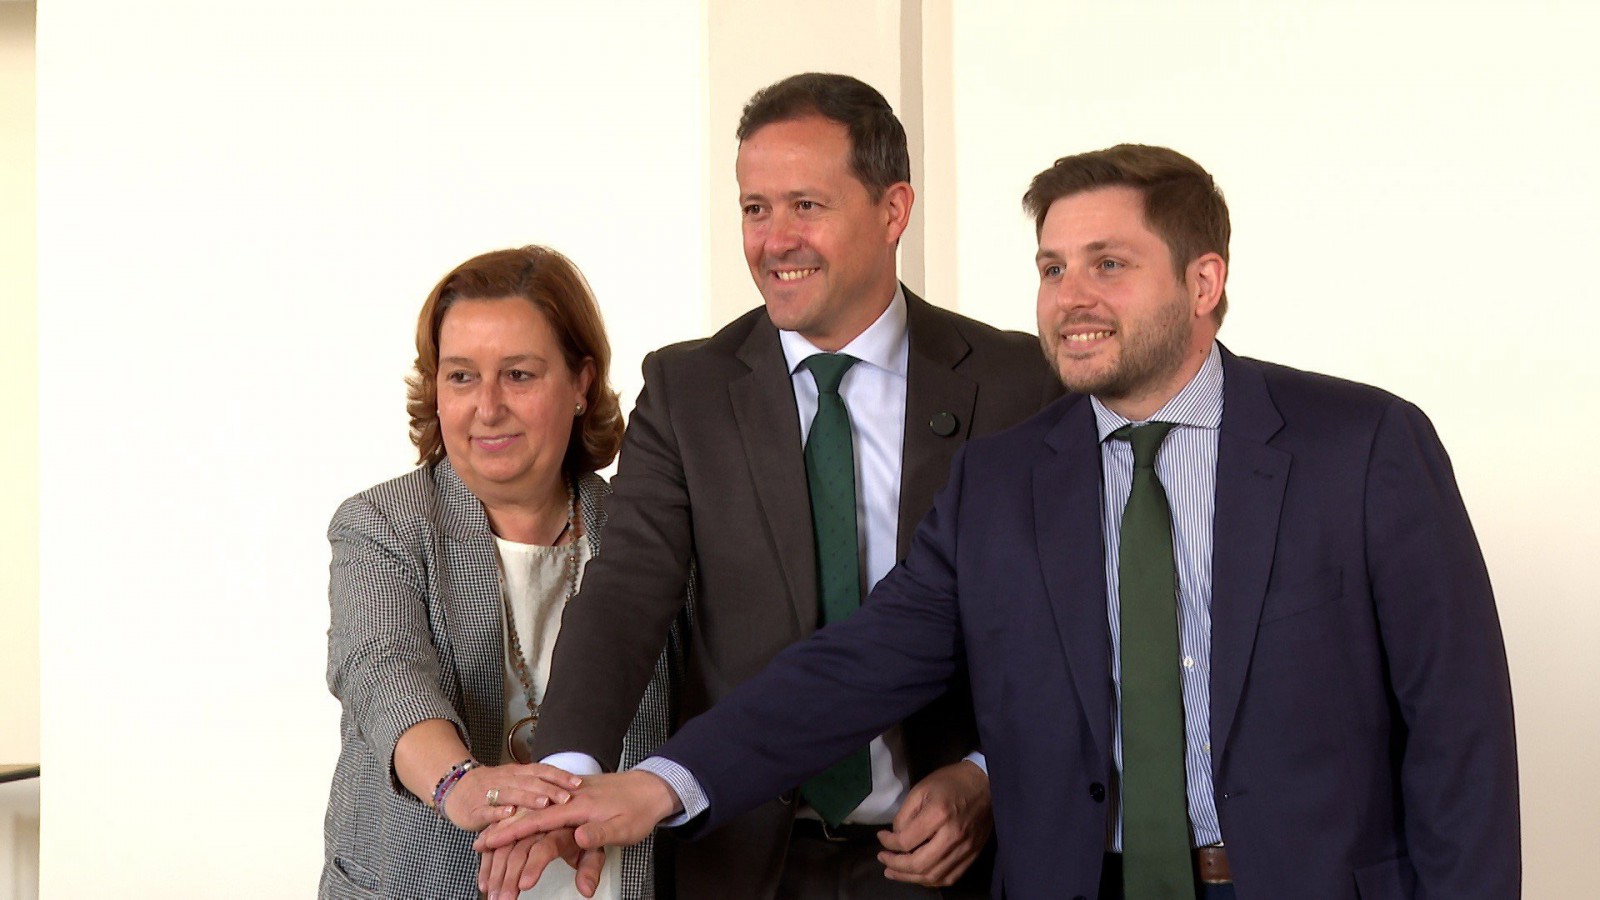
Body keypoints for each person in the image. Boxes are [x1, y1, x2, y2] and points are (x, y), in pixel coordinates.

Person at [475, 146, 1521, 900]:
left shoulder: (1361, 445)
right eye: (1052, 267)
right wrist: (659, 788)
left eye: (1109, 264)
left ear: (1204, 282)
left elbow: (1459, 731)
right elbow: (855, 667)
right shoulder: (1005, 481)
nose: (1070, 297)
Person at [485, 73, 1062, 899]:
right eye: (755, 209)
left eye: (806, 206)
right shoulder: (687, 390)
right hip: (740, 853)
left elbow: (1070, 629)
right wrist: (566, 779)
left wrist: (987, 774)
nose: (774, 240)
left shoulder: (1018, 385)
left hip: (953, 862)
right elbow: (625, 594)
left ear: (894, 210)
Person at [321, 246, 679, 900]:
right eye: (461, 376)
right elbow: (383, 672)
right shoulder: (381, 524)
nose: (487, 407)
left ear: (581, 385)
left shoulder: (645, 529)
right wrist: (457, 783)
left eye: (518, 375)